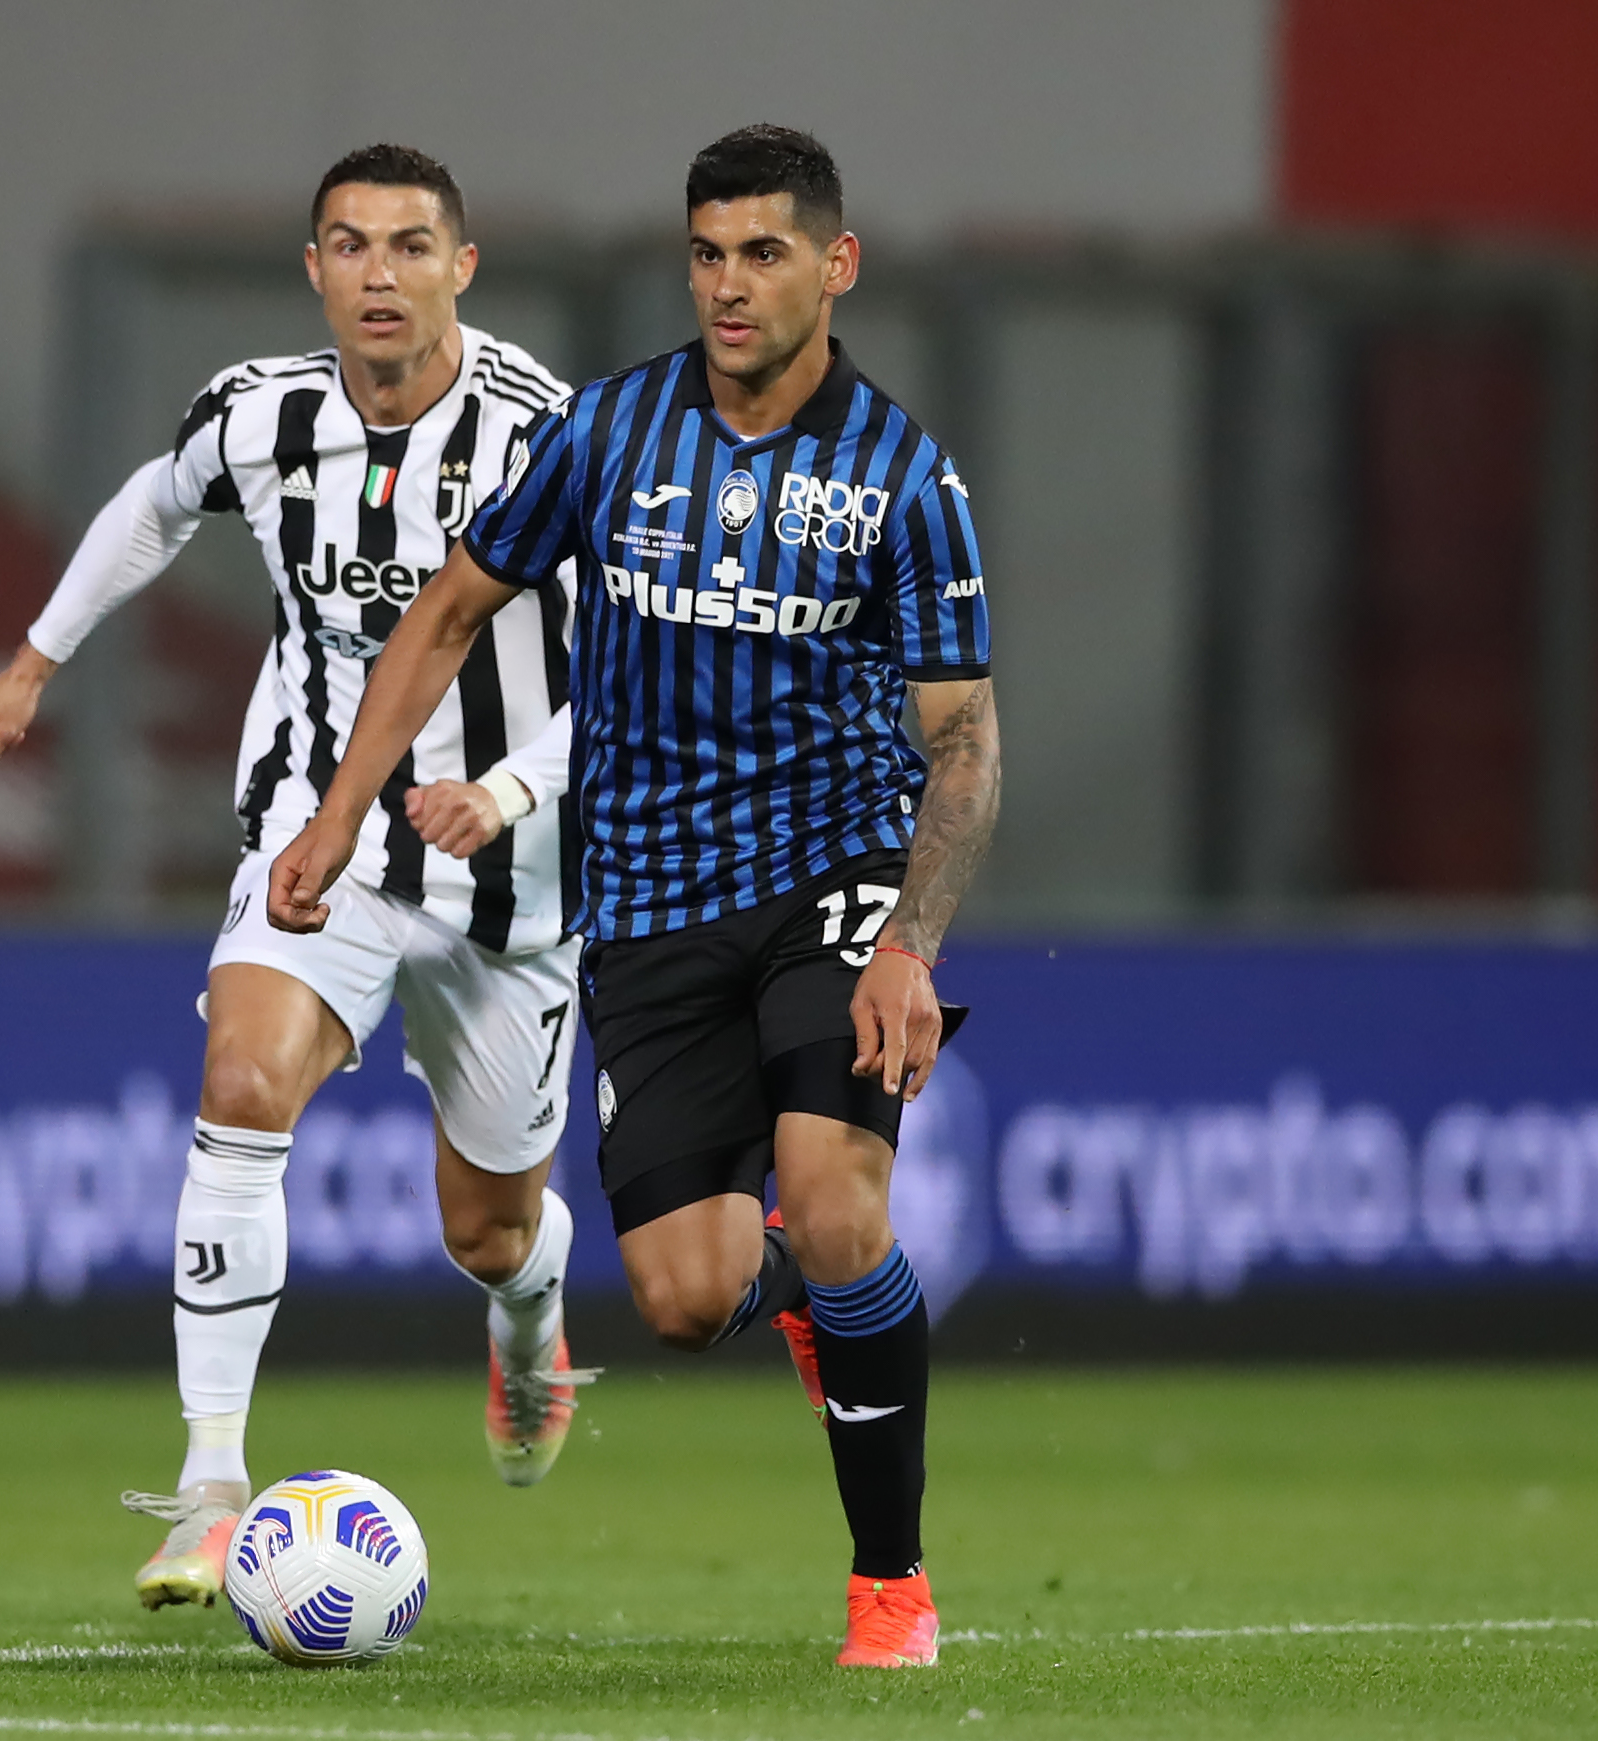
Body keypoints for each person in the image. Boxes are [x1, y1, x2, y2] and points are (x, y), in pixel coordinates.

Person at [265, 125, 1000, 1669]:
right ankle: (802, 1293)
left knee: (840, 1195)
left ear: (835, 265)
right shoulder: (609, 433)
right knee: (680, 1298)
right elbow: (451, 609)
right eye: (709, 254)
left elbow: (965, 740)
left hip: (836, 877)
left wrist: (912, 945)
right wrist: (337, 817)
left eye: (766, 254)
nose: (730, 287)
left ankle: (892, 1586)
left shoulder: (902, 476)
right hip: (653, 902)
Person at [0, 145, 594, 1613]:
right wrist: (34, 661)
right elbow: (151, 504)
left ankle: (531, 1304)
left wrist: (501, 791)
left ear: (463, 269)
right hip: (323, 828)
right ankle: (211, 1483)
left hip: (511, 868)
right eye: (351, 246)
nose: (382, 274)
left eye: (412, 247)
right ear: (314, 269)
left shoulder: (548, 439)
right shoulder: (262, 416)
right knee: (241, 1088)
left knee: (484, 1224)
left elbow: (630, 663)